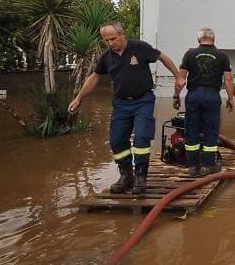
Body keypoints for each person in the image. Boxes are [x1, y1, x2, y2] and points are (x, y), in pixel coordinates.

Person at [68, 21, 182, 195]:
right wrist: (79, 98)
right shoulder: (107, 57)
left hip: (143, 100)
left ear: (122, 35)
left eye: (113, 38)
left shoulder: (139, 47)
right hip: (121, 103)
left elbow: (162, 57)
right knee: (116, 140)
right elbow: (94, 78)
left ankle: (141, 177)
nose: (110, 43)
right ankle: (126, 176)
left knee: (142, 139)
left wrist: (177, 76)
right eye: (106, 40)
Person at [174, 27, 235, 177]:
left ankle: (193, 167)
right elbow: (228, 79)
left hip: (193, 95)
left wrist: (176, 96)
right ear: (214, 40)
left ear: (198, 40)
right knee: (211, 130)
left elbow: (180, 80)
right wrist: (230, 98)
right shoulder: (222, 56)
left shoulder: (190, 54)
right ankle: (208, 166)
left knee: (192, 129)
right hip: (212, 96)